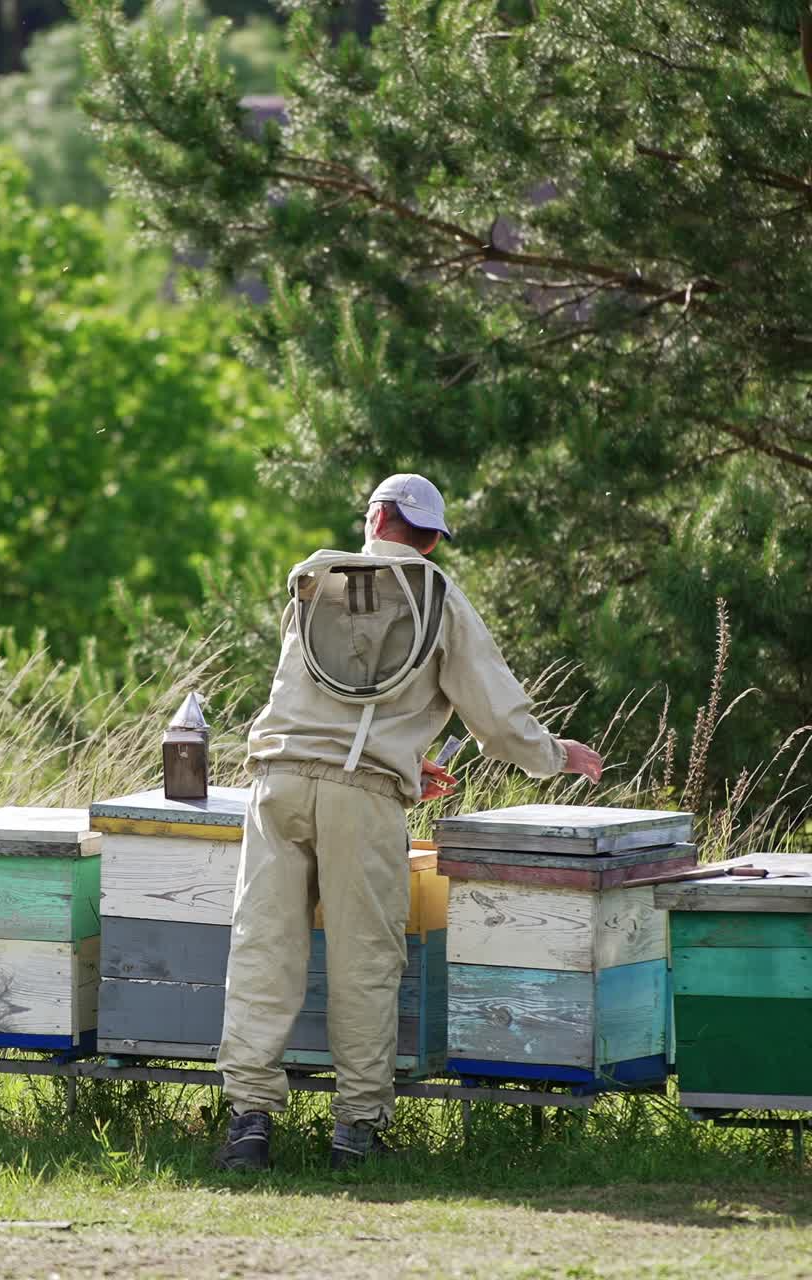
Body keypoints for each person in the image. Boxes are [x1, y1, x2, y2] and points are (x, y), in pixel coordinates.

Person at [214, 473, 603, 1171]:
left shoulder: (312, 580)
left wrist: (396, 756)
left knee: (263, 951)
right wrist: (555, 756)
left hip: (276, 785)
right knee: (365, 961)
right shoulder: (438, 595)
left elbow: (319, 698)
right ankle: (354, 1133)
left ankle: (248, 1125)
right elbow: (497, 713)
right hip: (360, 801)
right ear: (430, 538)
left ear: (373, 519)